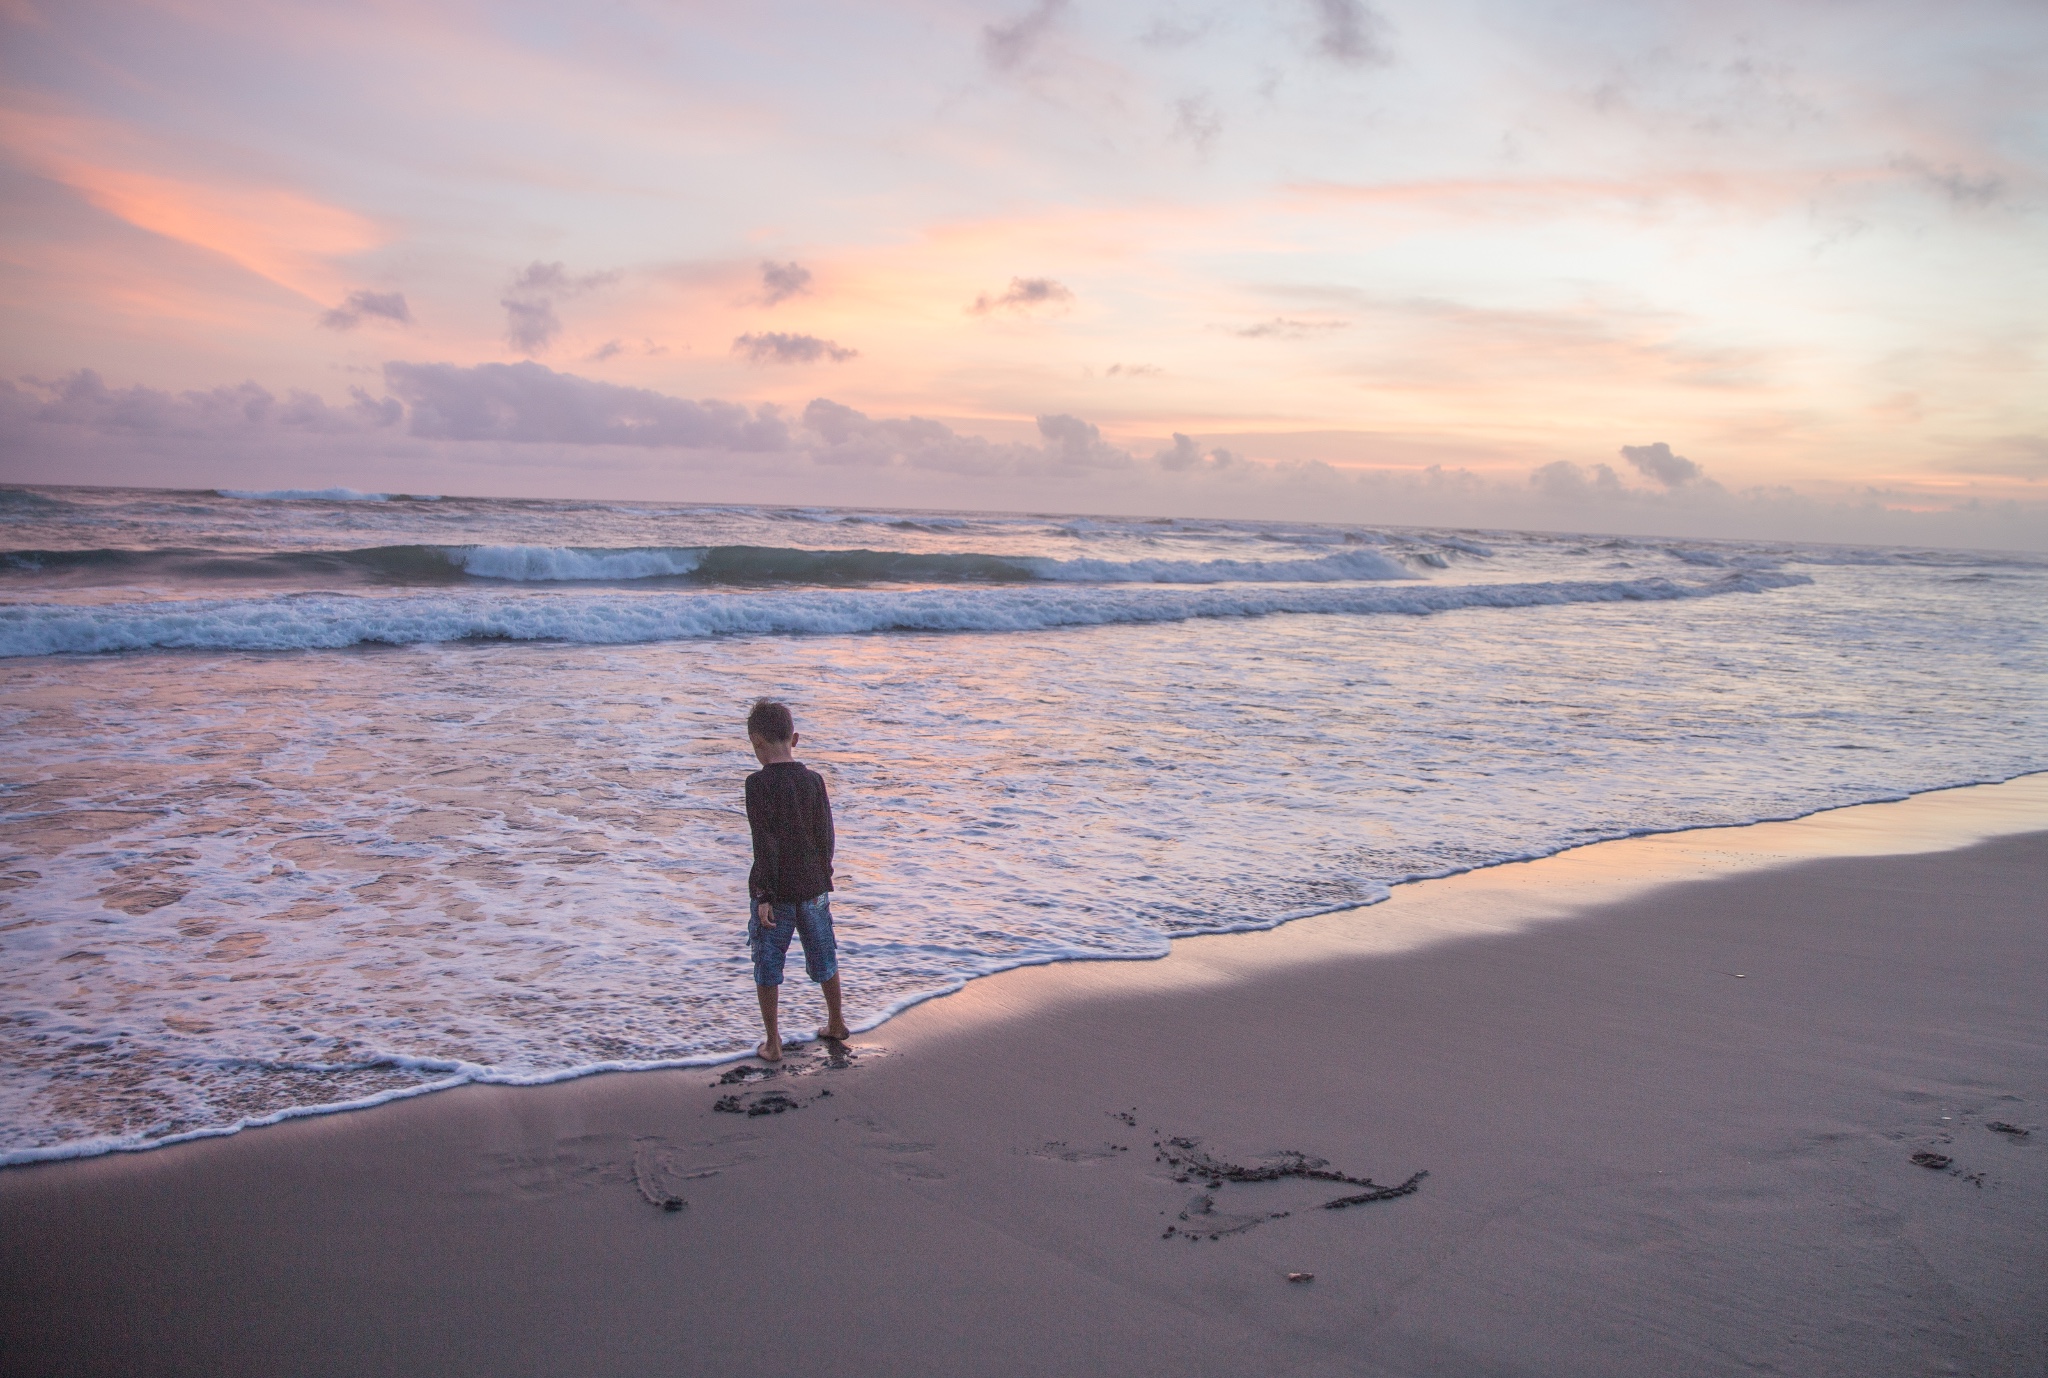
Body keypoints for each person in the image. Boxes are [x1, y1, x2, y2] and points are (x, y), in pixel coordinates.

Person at [742, 698, 849, 1061]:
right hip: (814, 887)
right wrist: (824, 874)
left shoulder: (757, 785)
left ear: (757, 743)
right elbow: (826, 835)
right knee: (824, 955)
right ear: (795, 738)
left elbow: (765, 842)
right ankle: (836, 1021)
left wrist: (764, 893)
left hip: (778, 892)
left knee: (768, 962)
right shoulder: (814, 781)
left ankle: (773, 1043)